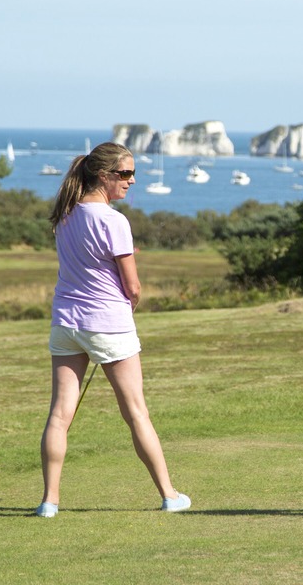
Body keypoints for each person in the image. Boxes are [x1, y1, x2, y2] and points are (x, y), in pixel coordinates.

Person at [35, 142, 190, 518]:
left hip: (66, 322)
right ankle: (169, 495)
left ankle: (49, 502)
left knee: (59, 415)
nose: (131, 181)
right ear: (103, 176)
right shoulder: (113, 220)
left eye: (132, 174)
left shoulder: (66, 214)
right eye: (124, 174)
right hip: (108, 324)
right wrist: (131, 302)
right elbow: (132, 286)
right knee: (136, 412)